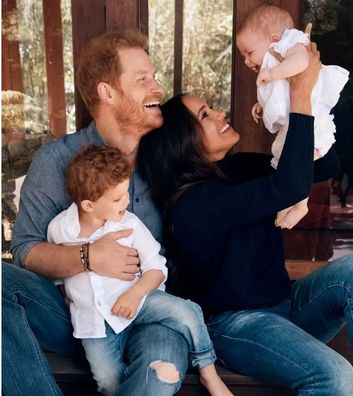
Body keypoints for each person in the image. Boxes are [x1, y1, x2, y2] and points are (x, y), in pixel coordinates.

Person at [137, 41, 353, 396]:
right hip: (237, 326)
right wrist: (299, 93)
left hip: (286, 307)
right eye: (205, 115)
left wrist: (291, 110)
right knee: (334, 376)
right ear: (182, 143)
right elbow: (287, 187)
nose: (220, 114)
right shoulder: (192, 205)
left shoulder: (237, 168)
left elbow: (324, 167)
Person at [3, 30, 191, 396]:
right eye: (143, 80)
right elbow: (25, 251)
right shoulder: (56, 160)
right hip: (77, 315)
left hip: (150, 309)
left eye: (154, 77)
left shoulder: (167, 158)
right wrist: (89, 257)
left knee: (159, 377)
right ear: (107, 93)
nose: (157, 87)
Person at [47, 144, 232, 396]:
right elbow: (58, 270)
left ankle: (208, 372)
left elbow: (156, 268)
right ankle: (145, 379)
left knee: (187, 311)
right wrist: (66, 295)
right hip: (94, 323)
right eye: (116, 198)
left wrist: (134, 295)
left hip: (140, 299)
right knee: (108, 381)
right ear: (89, 205)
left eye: (126, 192)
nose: (126, 201)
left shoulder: (129, 224)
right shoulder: (60, 229)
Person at [236, 4, 349, 229]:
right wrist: (262, 104)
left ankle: (300, 204)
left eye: (249, 53)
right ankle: (289, 200)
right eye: (243, 57)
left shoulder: (292, 44)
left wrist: (272, 73)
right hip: (295, 120)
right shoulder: (274, 60)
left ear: (274, 38)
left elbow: (301, 63)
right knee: (284, 159)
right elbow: (282, 93)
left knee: (299, 160)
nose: (247, 62)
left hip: (313, 119)